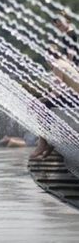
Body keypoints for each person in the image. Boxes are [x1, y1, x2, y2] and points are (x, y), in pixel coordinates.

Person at [30, 19, 79, 159]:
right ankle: (51, 141)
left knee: (42, 106)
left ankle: (43, 142)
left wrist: (41, 99)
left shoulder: (57, 65)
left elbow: (57, 92)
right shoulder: (64, 63)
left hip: (76, 100)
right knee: (48, 104)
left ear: (47, 57)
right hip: (76, 98)